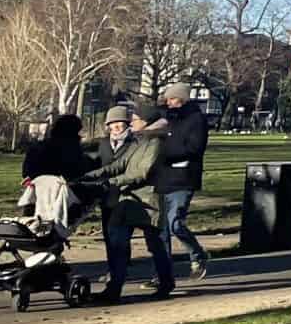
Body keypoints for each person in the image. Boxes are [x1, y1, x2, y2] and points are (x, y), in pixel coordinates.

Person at [90, 105, 175, 302]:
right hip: (128, 199)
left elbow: (141, 172)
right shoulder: (139, 141)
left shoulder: (156, 142)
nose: (132, 122)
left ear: (147, 122)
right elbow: (117, 166)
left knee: (156, 245)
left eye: (136, 120)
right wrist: (88, 177)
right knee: (117, 242)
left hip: (149, 201)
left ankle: (166, 283)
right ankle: (114, 288)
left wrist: (111, 182)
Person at [136, 83, 212, 279]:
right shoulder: (167, 116)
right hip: (162, 178)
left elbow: (195, 148)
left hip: (183, 178)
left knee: (175, 224)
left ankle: (197, 254)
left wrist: (163, 154)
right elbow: (150, 116)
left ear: (182, 99)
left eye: (172, 99)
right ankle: (162, 272)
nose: (168, 102)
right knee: (160, 229)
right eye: (167, 99)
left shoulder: (196, 119)